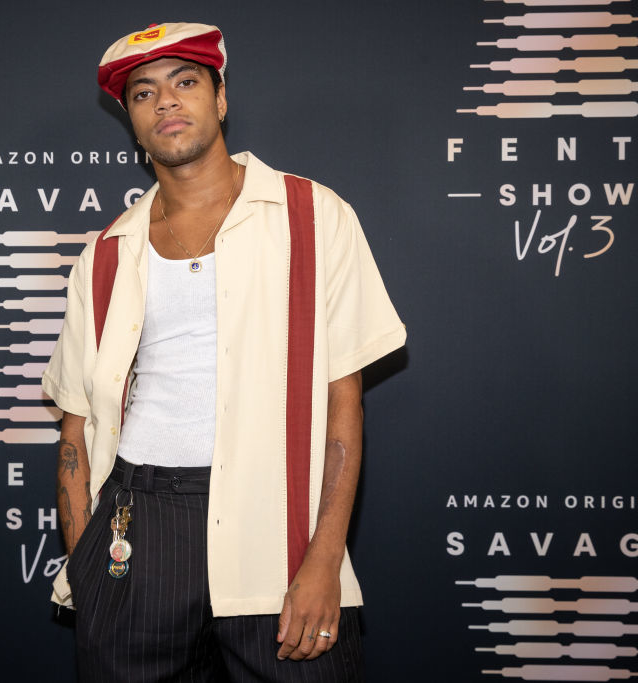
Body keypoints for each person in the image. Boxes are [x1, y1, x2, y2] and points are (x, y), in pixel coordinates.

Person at [42, 21, 406, 682]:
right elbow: (75, 426)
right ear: (131, 119)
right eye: (145, 93)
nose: (167, 102)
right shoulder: (106, 252)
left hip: (278, 527)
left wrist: (324, 559)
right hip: (138, 525)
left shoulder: (314, 216)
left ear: (221, 98)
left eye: (186, 82)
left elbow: (341, 401)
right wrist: (84, 566)